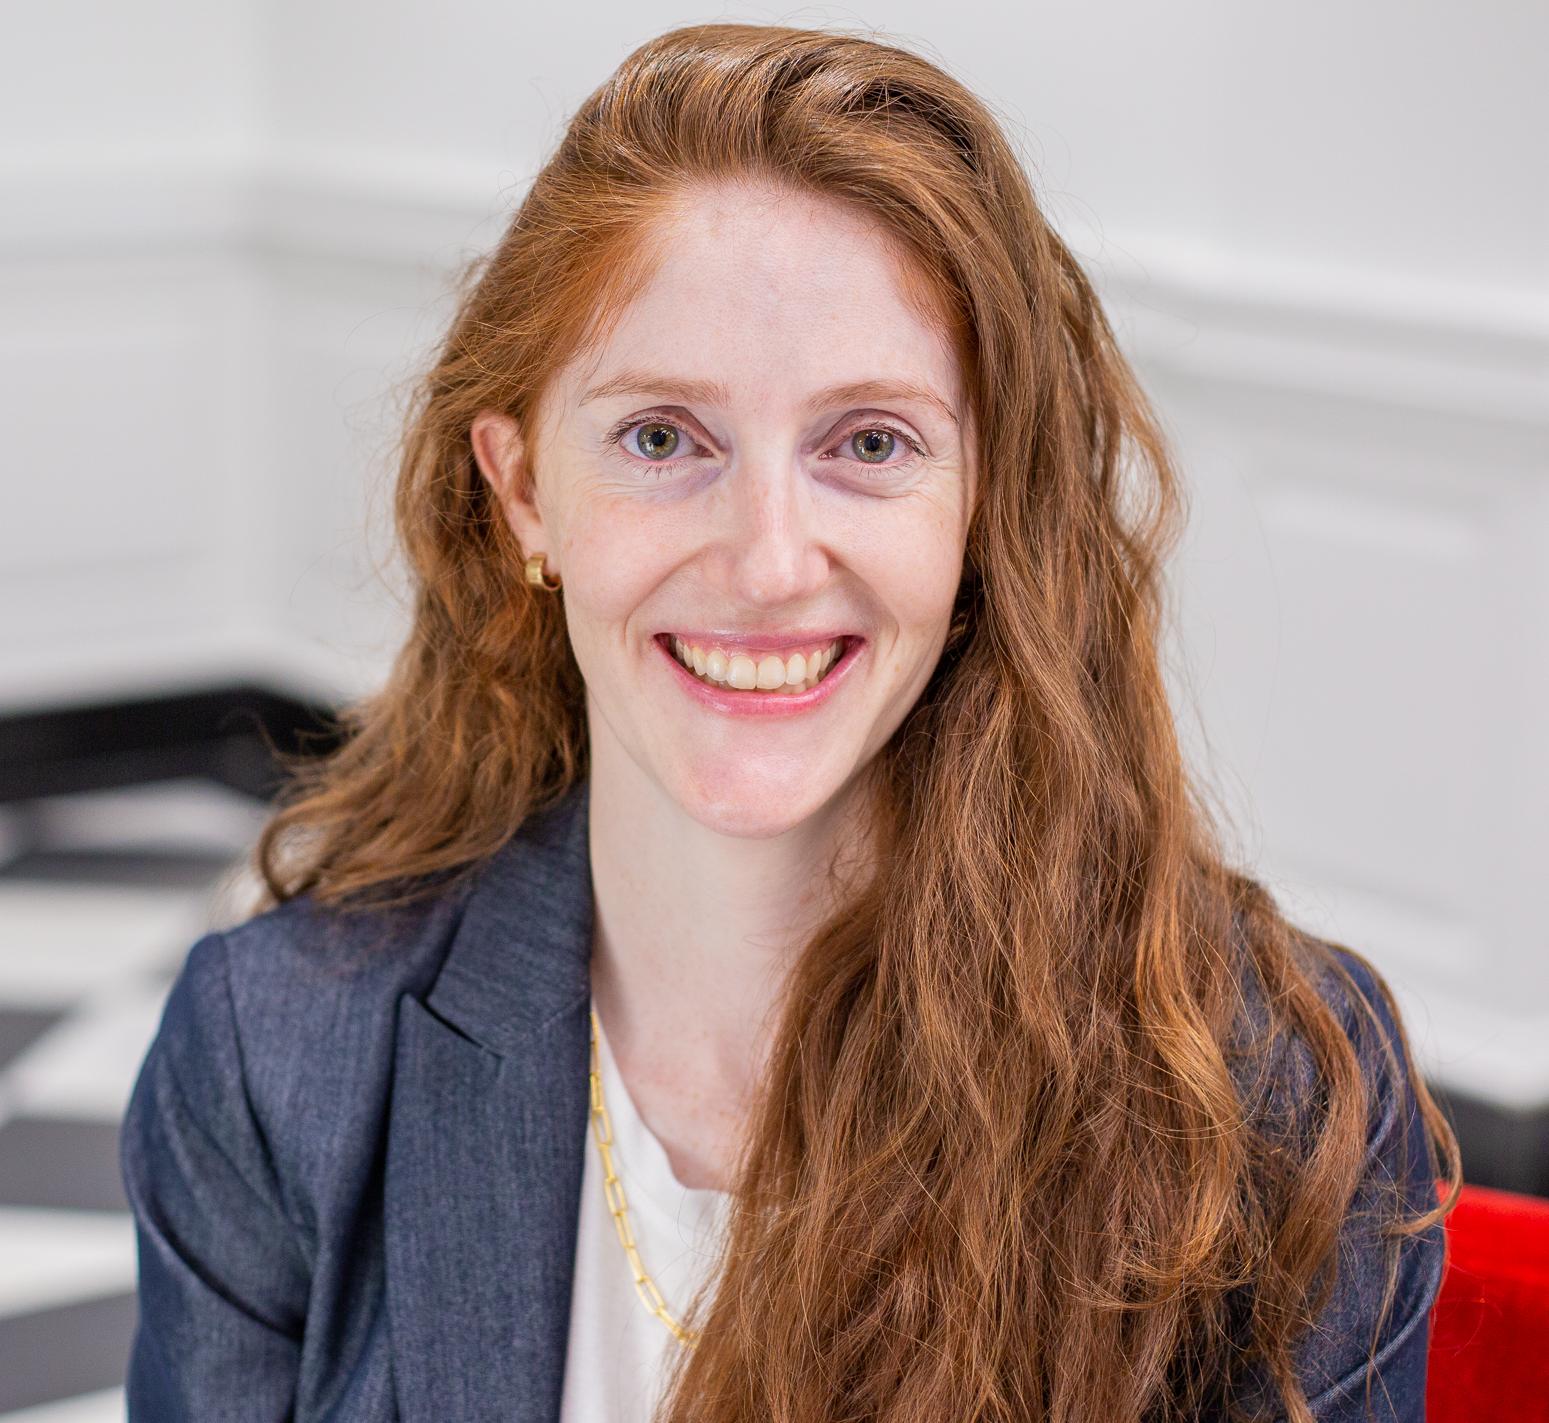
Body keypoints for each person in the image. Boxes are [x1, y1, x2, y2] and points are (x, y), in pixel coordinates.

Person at [119, 21, 1462, 1423]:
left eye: (869, 442)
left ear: (984, 504)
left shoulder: (1264, 1089)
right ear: (523, 494)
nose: (767, 563)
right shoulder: (278, 1053)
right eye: (660, 438)